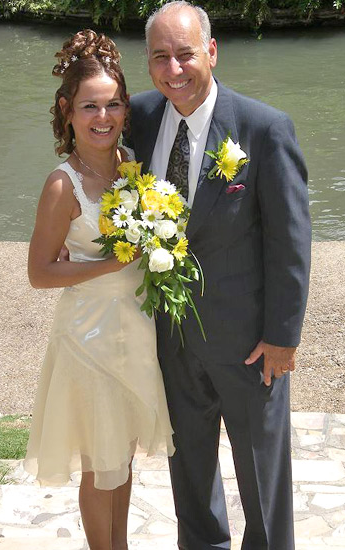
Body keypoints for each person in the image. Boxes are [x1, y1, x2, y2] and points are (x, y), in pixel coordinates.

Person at [123, 2, 311, 549]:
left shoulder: (264, 129)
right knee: (190, 473)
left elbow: (290, 241)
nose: (173, 70)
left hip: (250, 345)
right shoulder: (138, 117)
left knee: (262, 482)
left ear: (211, 51)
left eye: (185, 54)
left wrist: (282, 337)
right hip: (171, 339)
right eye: (160, 57)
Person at [23, 29, 174, 550]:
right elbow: (40, 272)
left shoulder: (131, 163)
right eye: (90, 106)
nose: (102, 118)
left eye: (112, 105)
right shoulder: (61, 184)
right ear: (67, 111)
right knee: (98, 464)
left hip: (134, 332)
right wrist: (108, 263)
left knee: (123, 458)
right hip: (87, 338)